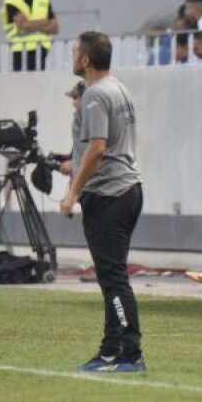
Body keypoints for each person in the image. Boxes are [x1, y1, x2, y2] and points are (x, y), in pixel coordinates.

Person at [61, 32, 146, 373]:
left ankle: (131, 352)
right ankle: (110, 351)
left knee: (112, 278)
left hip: (109, 194)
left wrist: (72, 193)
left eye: (74, 51)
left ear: (85, 60)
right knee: (111, 276)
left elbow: (97, 148)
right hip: (128, 190)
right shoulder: (118, 87)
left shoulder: (95, 95)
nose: (71, 55)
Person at [1, 0, 57, 72]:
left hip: (41, 49)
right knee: (22, 84)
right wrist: (45, 22)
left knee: (38, 84)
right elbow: (24, 25)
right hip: (20, 49)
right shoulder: (11, 0)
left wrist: (32, 24)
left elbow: (55, 28)